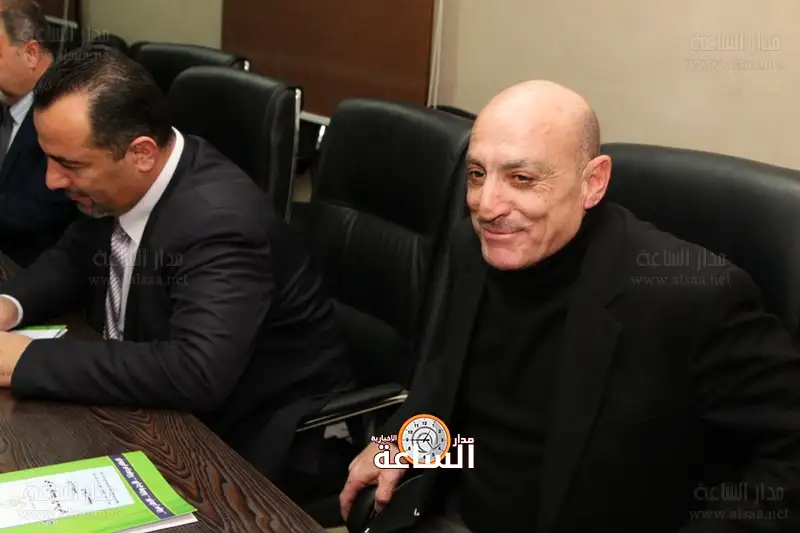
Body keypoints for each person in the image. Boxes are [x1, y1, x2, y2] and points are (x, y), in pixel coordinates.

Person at [340, 80, 800, 532]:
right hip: (454, 507)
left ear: (593, 183)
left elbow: (789, 458)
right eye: (478, 174)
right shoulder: (472, 247)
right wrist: (402, 442)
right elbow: (444, 377)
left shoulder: (695, 297)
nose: (486, 205)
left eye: (522, 179)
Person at [0, 45, 354, 492]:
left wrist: (25, 360)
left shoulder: (221, 223)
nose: (52, 179)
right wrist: (9, 305)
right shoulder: (124, 180)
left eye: (69, 164)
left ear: (142, 153)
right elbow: (74, 254)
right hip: (150, 407)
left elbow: (195, 370)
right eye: (49, 158)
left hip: (251, 440)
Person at [0, 0, 75, 266]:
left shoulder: (67, 110)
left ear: (31, 54)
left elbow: (39, 212)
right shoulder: (9, 99)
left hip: (32, 263)